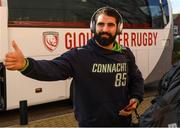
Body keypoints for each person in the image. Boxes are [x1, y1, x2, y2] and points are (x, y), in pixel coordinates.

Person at [4, 6, 144, 127]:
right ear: (93, 27)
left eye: (110, 25)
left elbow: (136, 79)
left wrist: (135, 99)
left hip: (123, 122)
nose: (104, 29)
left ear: (118, 28)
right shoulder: (79, 55)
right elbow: (52, 69)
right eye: (101, 24)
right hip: (91, 125)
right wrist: (25, 65)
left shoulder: (125, 53)